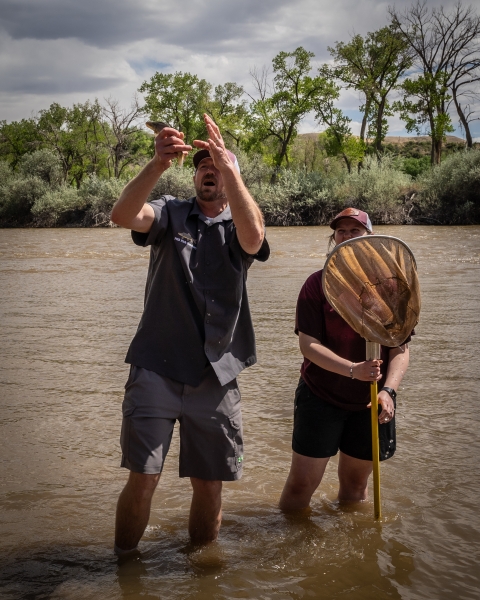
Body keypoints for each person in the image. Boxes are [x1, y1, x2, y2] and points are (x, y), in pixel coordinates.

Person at [110, 113, 269, 555]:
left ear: (231, 174)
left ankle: (201, 575)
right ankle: (124, 570)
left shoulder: (241, 223)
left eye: (218, 164)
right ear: (194, 175)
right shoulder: (170, 212)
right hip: (156, 370)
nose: (209, 170)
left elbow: (255, 238)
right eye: (202, 165)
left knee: (210, 487)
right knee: (143, 479)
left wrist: (231, 166)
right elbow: (122, 214)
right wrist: (157, 164)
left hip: (217, 378)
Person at [279, 207, 411, 511]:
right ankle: (288, 544)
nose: (347, 237)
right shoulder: (317, 284)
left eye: (355, 231)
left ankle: (354, 551)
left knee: (355, 487)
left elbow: (400, 349)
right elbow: (308, 345)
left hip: (371, 400)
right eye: (341, 231)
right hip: (321, 394)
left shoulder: (392, 288)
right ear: (333, 238)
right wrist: (353, 369)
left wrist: (388, 391)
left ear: (370, 238)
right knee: (301, 486)